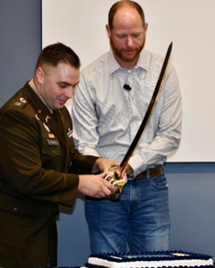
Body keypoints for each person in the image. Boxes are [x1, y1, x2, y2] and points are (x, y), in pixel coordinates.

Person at [71, 0, 182, 254]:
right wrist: (102, 164)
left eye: (136, 35)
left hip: (152, 187)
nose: (129, 43)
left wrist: (132, 164)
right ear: (108, 31)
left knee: (155, 264)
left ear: (146, 28)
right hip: (104, 189)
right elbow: (84, 144)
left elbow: (170, 136)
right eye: (121, 36)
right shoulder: (89, 78)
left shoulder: (164, 71)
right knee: (107, 263)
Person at [0, 43, 122, 268]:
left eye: (74, 86)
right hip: (16, 234)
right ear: (40, 75)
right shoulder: (16, 116)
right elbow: (29, 178)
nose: (70, 94)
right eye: (63, 85)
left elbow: (69, 159)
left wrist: (96, 163)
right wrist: (81, 184)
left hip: (43, 228)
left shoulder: (58, 111)